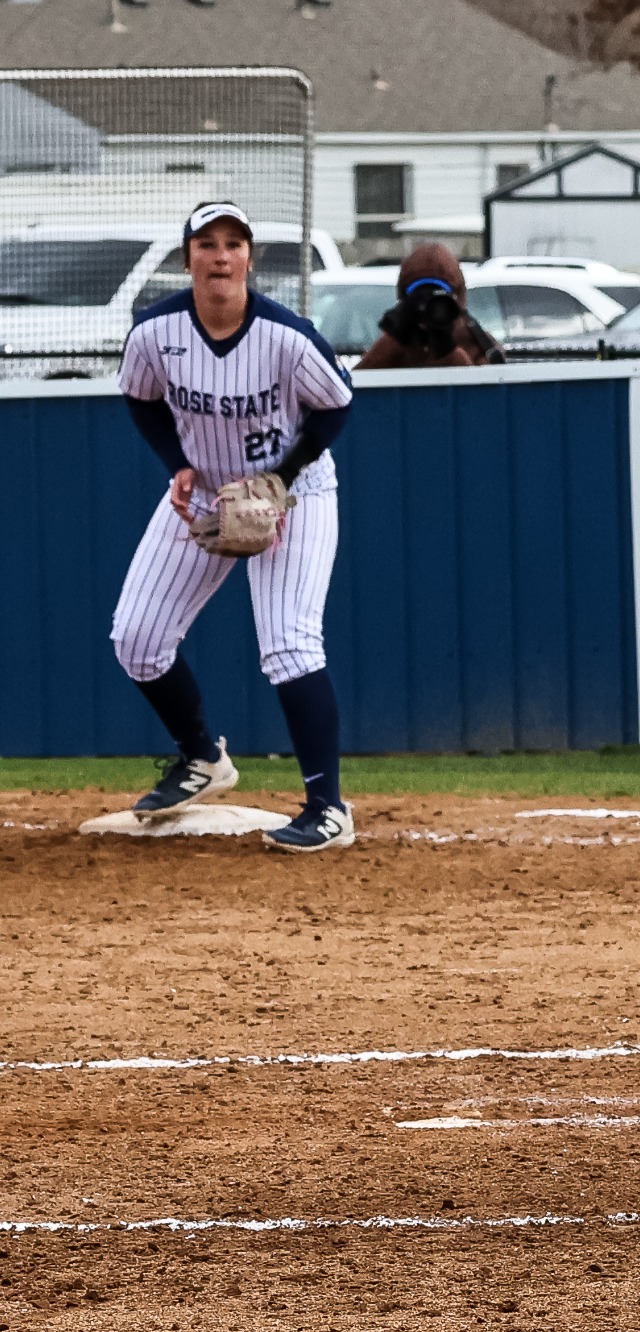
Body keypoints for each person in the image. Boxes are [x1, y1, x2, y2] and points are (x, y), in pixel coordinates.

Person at [113, 201, 357, 853]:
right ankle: (202, 758)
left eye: (233, 244)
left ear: (249, 258)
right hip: (209, 493)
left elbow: (336, 406)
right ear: (188, 255)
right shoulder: (154, 332)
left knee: (290, 645)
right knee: (136, 639)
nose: (220, 255)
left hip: (294, 493)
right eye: (207, 243)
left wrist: (282, 478)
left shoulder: (285, 334)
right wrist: (179, 465)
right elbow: (141, 399)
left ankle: (328, 809)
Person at [356, 244, 505, 370]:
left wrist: (447, 348)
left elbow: (482, 391)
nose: (430, 306)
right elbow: (359, 386)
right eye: (419, 297)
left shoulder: (475, 340)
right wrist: (397, 335)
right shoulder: (397, 340)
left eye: (440, 299)